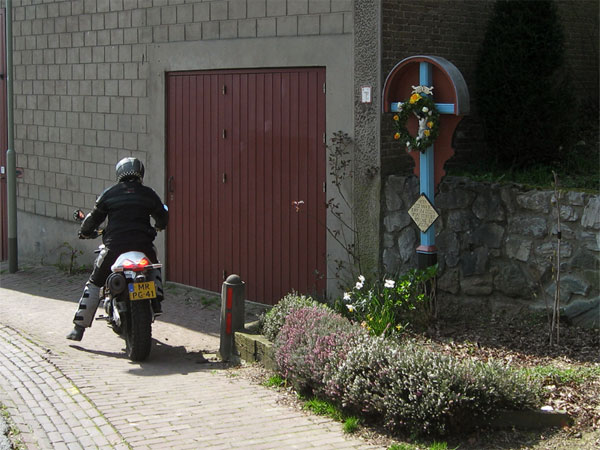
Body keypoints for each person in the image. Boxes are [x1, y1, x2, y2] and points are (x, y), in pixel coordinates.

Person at [66, 157, 169, 341]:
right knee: (154, 266)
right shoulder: (148, 194)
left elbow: (93, 218)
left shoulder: (109, 194)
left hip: (115, 246)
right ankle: (156, 298)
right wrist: (159, 226)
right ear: (140, 173)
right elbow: (162, 215)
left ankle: (78, 328)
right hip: (143, 245)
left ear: (119, 173)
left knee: (95, 282)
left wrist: (85, 231)